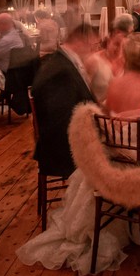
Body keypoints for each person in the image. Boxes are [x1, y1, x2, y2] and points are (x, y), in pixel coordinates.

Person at [17, 32, 140, 274]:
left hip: (115, 159)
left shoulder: (115, 85)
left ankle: (130, 223)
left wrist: (127, 119)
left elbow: (105, 117)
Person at [29, 23, 98, 182]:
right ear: (82, 41)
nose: (94, 50)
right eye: (94, 45)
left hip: (67, 137)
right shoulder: (60, 70)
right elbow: (62, 120)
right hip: (62, 148)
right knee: (123, 149)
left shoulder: (64, 61)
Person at [85, 13, 132, 104]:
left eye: (123, 46)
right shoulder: (94, 61)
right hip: (98, 113)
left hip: (122, 113)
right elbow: (83, 94)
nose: (119, 50)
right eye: (116, 44)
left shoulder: (126, 61)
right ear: (108, 40)